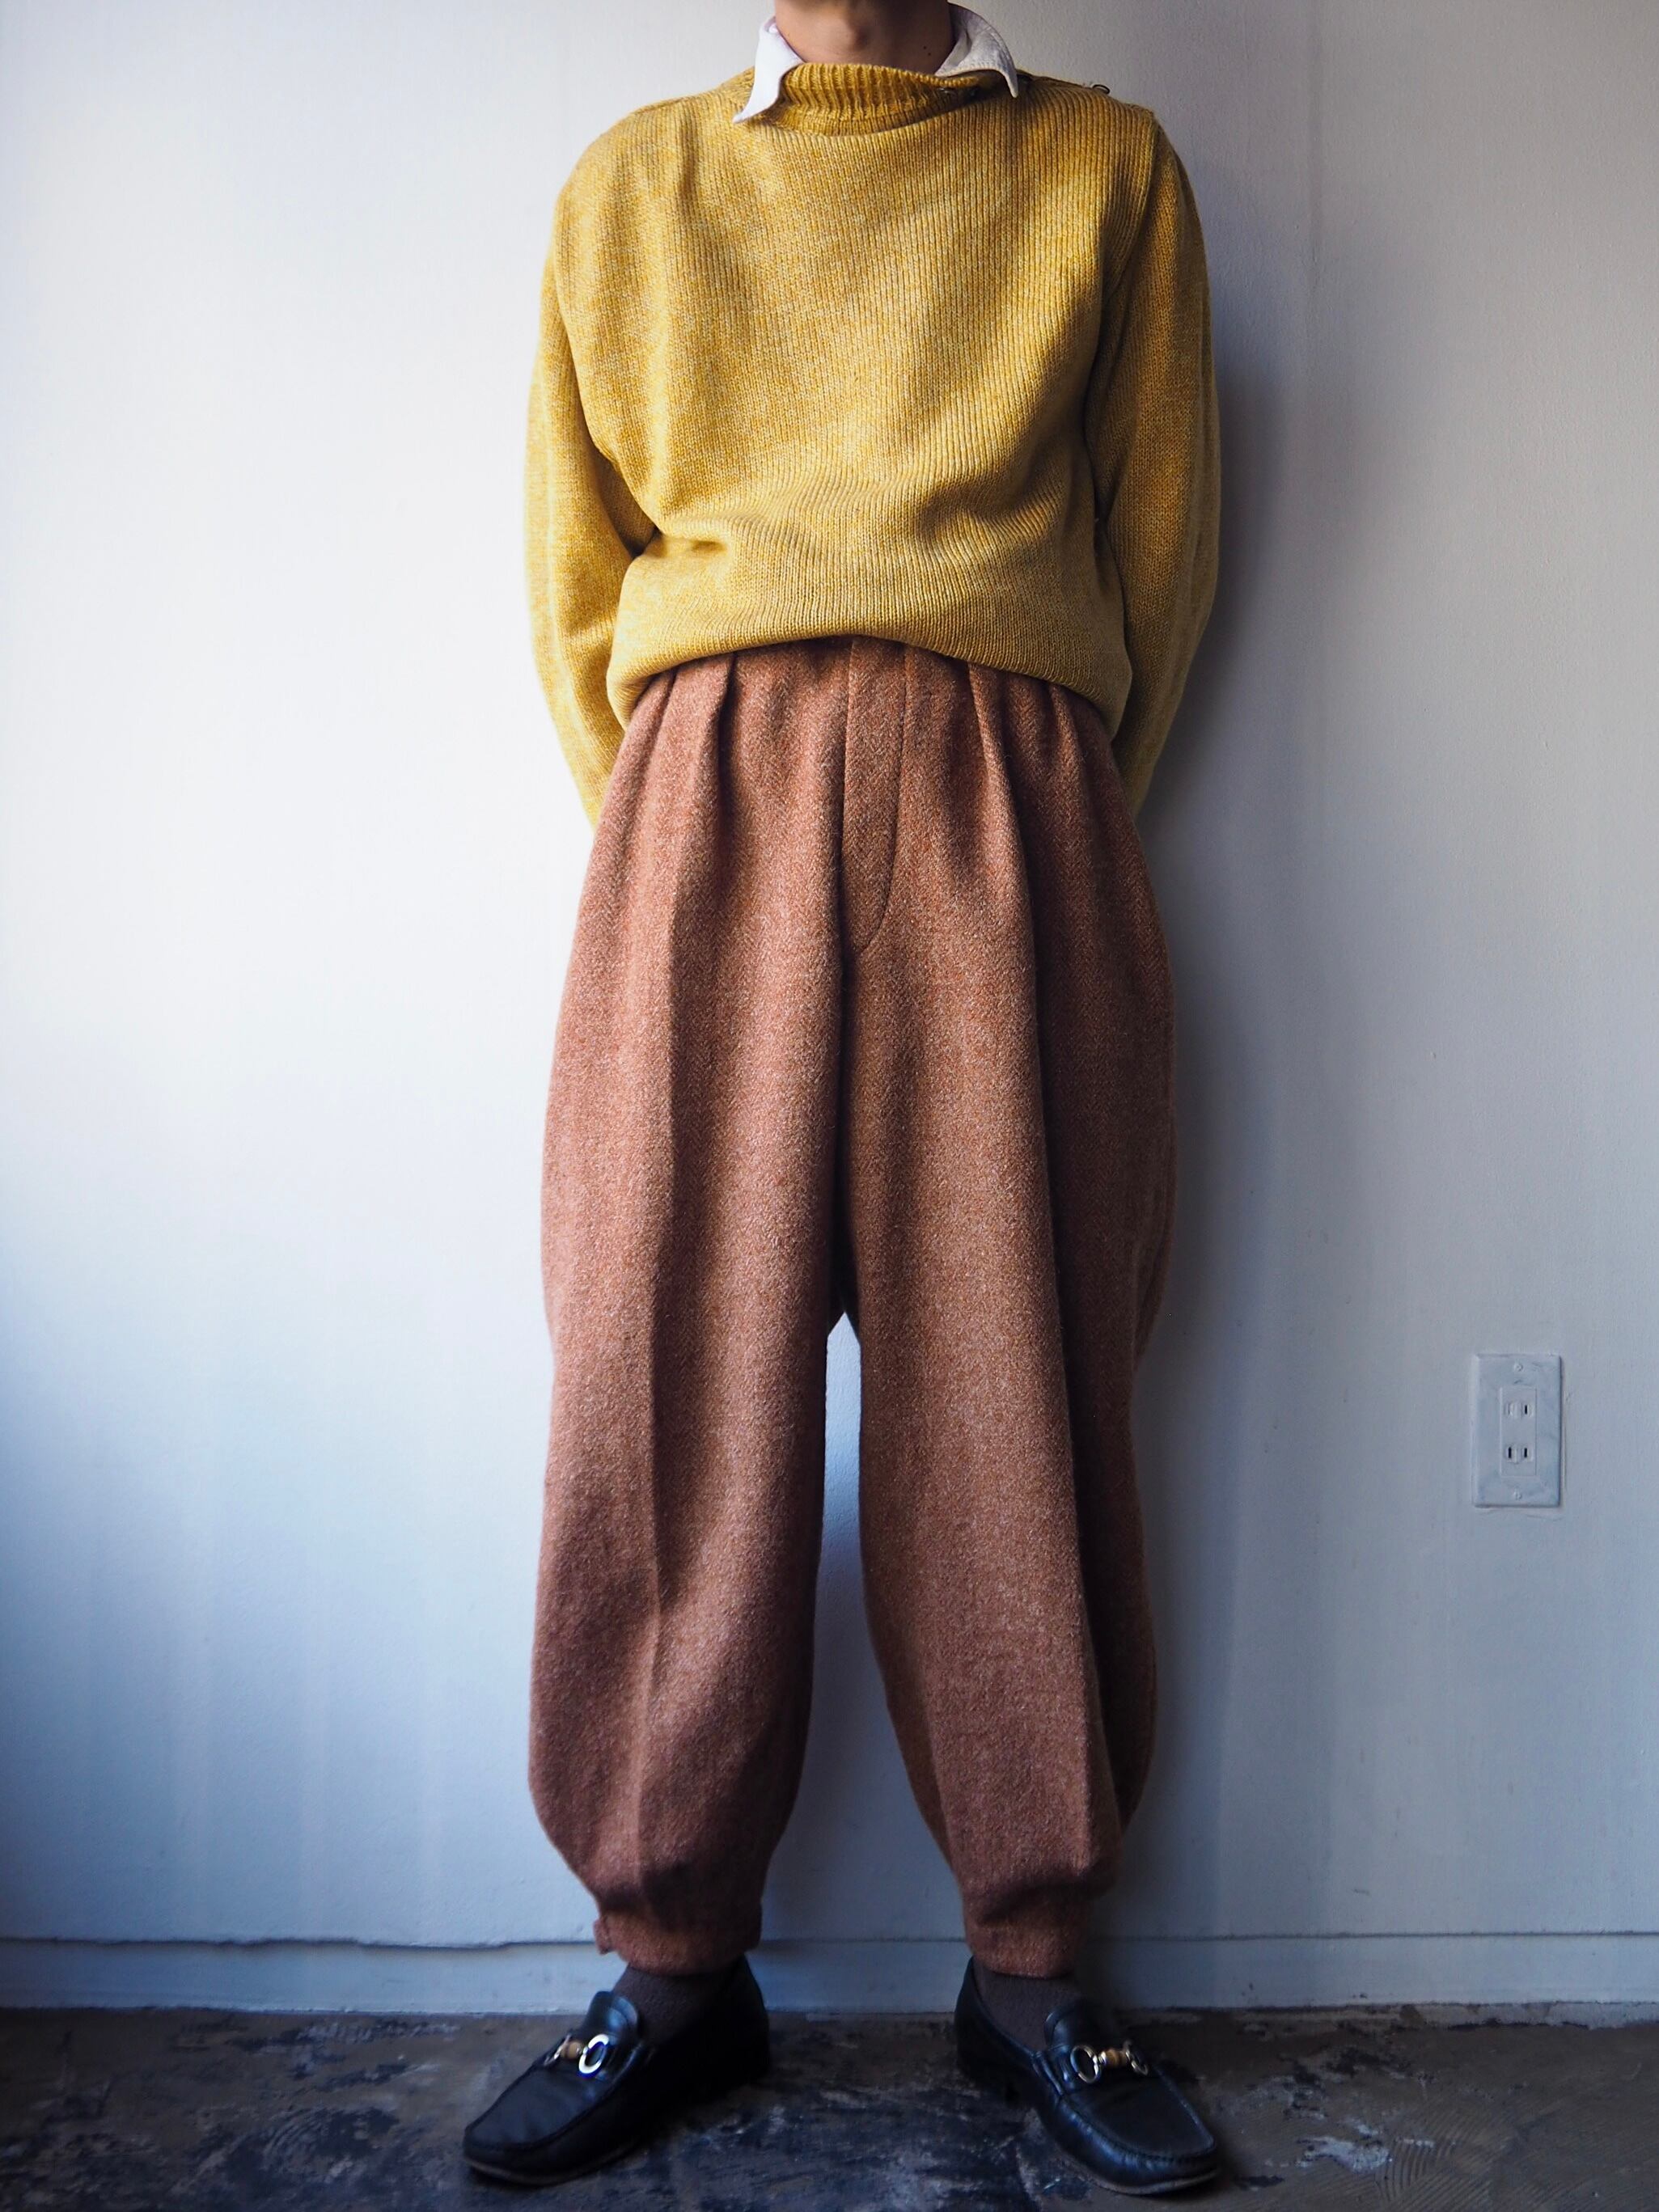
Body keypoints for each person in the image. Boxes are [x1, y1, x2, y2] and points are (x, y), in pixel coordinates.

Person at [463, 0, 1221, 2191]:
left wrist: (1026, 799)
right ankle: (666, 1960)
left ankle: (1036, 1969)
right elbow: (573, 580)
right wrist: (700, 810)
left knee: (1017, 1374)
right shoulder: (636, 189)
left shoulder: (1102, 172)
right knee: (663, 1367)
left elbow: (1159, 564)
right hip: (700, 809)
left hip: (1012, 797)